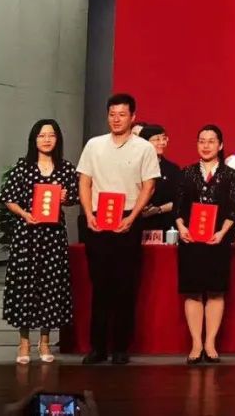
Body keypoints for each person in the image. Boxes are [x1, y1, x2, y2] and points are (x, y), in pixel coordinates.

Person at [76, 93, 159, 365]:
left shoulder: (144, 148)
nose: (116, 119)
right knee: (100, 286)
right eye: (112, 114)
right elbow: (85, 181)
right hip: (98, 219)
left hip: (128, 219)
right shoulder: (94, 145)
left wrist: (132, 217)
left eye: (122, 114)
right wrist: (88, 214)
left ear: (133, 117)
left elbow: (149, 186)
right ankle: (98, 347)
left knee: (125, 286)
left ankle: (121, 348)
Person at [0, 119, 80, 364]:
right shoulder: (23, 167)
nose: (46, 140)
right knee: (24, 286)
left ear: (58, 139)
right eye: (42, 135)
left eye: (51, 135)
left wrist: (66, 197)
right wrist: (25, 214)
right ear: (34, 139)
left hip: (53, 236)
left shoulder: (66, 168)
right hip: (27, 235)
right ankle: (24, 341)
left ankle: (44, 341)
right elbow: (8, 198)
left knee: (50, 286)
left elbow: (75, 197)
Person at [175, 124, 235, 364]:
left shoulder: (230, 174)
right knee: (193, 292)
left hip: (217, 242)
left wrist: (222, 233)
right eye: (202, 141)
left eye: (211, 141)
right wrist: (182, 228)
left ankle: (210, 343)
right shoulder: (187, 173)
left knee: (215, 291)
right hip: (191, 241)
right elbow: (178, 207)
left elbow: (233, 209)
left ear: (220, 145)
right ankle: (196, 344)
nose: (206, 145)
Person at [138, 124, 181, 233]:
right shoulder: (135, 166)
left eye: (164, 138)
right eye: (157, 139)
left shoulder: (173, 169)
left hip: (164, 225)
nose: (162, 142)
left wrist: (158, 210)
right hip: (137, 224)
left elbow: (178, 201)